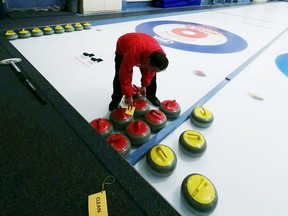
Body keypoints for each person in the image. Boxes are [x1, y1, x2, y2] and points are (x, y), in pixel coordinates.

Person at [109, 32, 169, 111]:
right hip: (124, 46)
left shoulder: (159, 56)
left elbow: (150, 73)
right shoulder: (133, 53)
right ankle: (115, 100)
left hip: (144, 44)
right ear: (148, 61)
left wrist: (144, 85)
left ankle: (151, 96)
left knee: (152, 77)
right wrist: (128, 95)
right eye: (154, 70)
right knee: (119, 76)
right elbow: (125, 74)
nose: (153, 71)